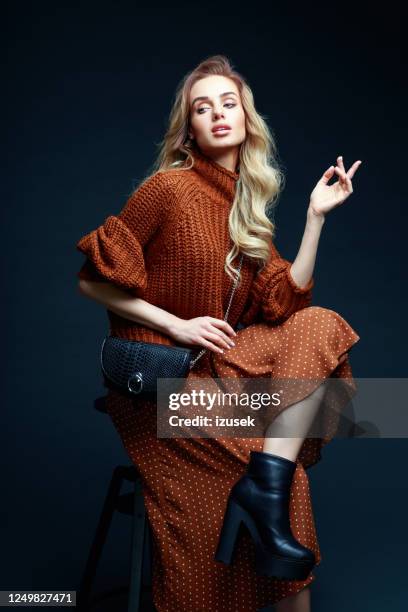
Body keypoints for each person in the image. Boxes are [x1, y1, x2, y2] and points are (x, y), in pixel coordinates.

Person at [75, 54, 362, 612]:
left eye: (228, 104)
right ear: (190, 130)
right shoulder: (167, 189)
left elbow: (283, 300)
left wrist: (316, 217)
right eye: (203, 109)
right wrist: (176, 324)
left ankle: (267, 481)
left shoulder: (248, 208)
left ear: (246, 120)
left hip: (218, 374)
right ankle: (268, 487)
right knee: (285, 482)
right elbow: (91, 282)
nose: (218, 115)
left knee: (319, 324)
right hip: (161, 384)